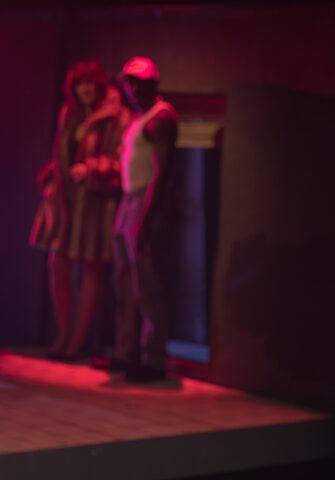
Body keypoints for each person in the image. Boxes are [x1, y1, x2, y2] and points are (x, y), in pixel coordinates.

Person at [30, 60, 131, 360]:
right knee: (57, 263)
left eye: (89, 82)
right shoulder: (70, 114)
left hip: (95, 201)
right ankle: (64, 334)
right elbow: (60, 153)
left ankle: (77, 340)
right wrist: (53, 178)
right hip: (67, 199)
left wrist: (92, 167)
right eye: (79, 84)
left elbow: (122, 159)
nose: (85, 89)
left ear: (99, 84)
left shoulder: (116, 115)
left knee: (91, 267)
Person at [92, 57, 177, 382]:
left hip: (145, 200)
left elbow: (161, 171)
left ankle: (152, 359)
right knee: (124, 282)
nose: (133, 89)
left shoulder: (161, 117)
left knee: (147, 282)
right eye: (130, 83)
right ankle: (126, 352)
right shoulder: (139, 118)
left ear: (153, 84)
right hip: (129, 200)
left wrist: (147, 217)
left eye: (139, 83)